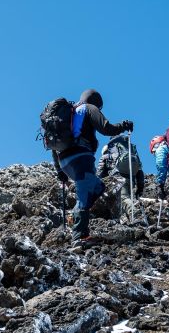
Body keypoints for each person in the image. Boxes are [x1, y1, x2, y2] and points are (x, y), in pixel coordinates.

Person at [52, 89, 133, 244]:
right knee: (84, 195)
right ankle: (79, 236)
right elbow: (106, 128)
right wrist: (123, 125)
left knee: (98, 187)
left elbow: (55, 147)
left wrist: (59, 170)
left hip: (65, 162)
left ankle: (77, 219)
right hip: (81, 157)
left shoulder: (69, 114)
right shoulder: (89, 108)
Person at [97, 134, 145, 223]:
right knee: (126, 199)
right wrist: (140, 188)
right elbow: (140, 171)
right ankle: (130, 220)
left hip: (118, 178)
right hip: (131, 179)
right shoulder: (130, 152)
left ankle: (136, 214)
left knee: (123, 198)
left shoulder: (106, 156)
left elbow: (99, 174)